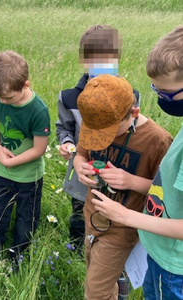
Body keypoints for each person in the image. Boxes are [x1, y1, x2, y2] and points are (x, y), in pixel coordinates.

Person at [91, 25, 183, 300]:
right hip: (160, 252)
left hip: (173, 267)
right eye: (155, 89)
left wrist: (126, 216)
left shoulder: (156, 138)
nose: (160, 98)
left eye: (167, 94)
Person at [73, 75, 172, 300]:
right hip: (92, 217)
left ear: (133, 114)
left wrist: (131, 181)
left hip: (121, 229)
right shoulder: (94, 121)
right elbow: (81, 154)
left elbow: (166, 194)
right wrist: (80, 167)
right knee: (96, 277)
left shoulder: (157, 140)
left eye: (106, 133)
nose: (99, 139)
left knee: (95, 292)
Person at [56, 24, 122, 254]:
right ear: (85, 61)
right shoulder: (69, 97)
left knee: (108, 214)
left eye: (108, 58)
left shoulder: (127, 95)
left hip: (115, 170)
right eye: (95, 59)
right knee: (79, 212)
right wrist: (66, 143)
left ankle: (104, 247)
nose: (103, 65)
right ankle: (74, 249)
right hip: (82, 171)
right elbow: (64, 127)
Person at [0, 50, 51, 263]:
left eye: (8, 98)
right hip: (1, 172)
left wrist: (12, 161)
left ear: (25, 85)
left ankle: (19, 255)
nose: (3, 102)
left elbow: (38, 149)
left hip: (28, 177)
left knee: (26, 218)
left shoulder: (38, 111)